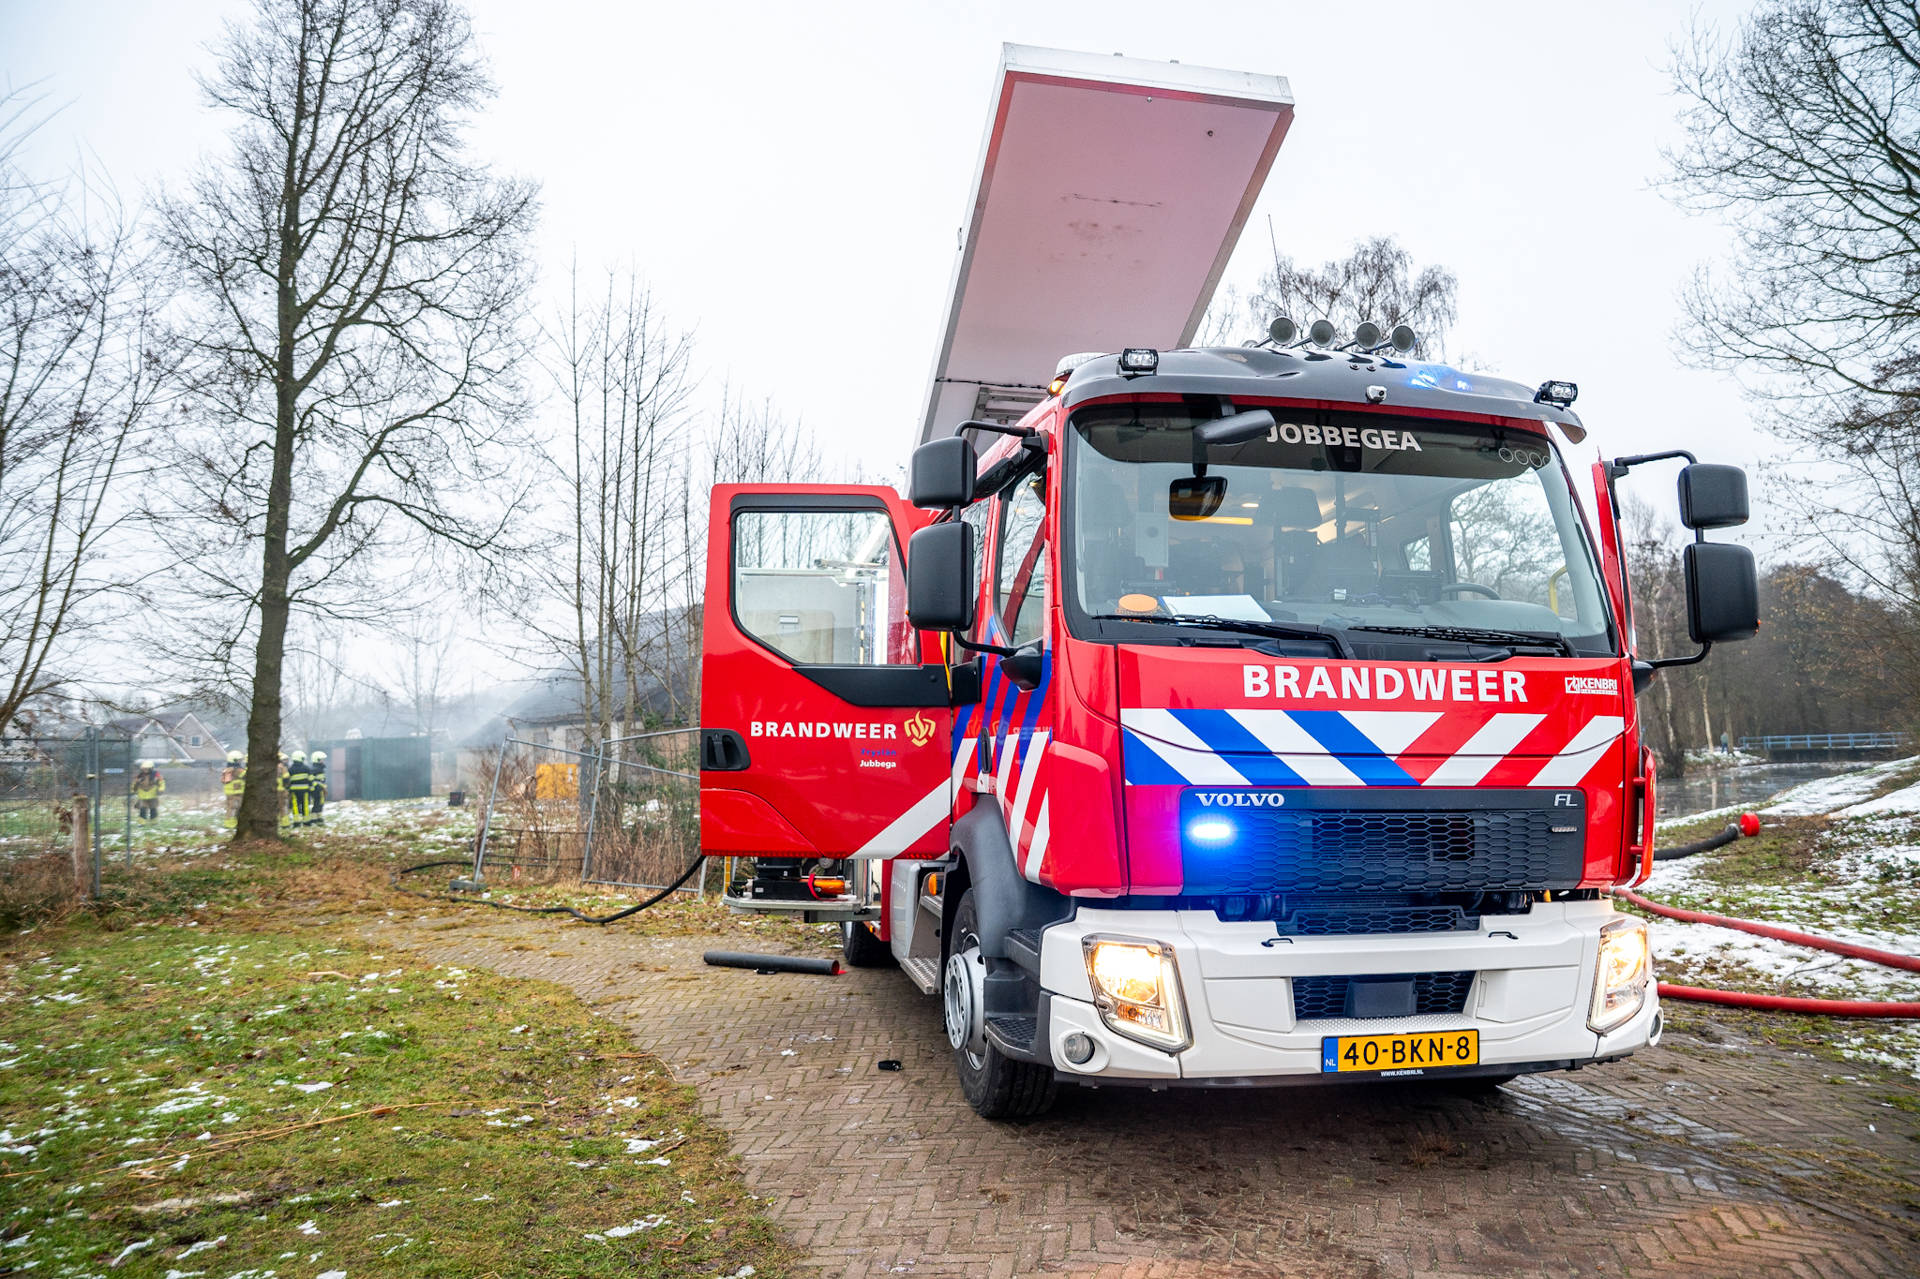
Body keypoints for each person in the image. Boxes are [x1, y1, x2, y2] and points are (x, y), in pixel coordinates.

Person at [286, 750, 312, 826]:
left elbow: (288, 781)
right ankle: (306, 821)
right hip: (305, 791)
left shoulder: (290, 769)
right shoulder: (306, 768)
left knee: (295, 806)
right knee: (305, 805)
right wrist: (311, 788)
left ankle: (296, 822)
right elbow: (310, 779)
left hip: (294, 791)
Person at [221, 751, 245, 828]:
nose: (241, 761)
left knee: (229, 808)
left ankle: (228, 824)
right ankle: (235, 823)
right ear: (235, 760)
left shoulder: (227, 770)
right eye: (239, 760)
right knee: (239, 808)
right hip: (237, 792)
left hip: (229, 793)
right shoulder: (238, 770)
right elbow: (248, 776)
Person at [308, 750, 328, 825]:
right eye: (322, 759)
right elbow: (310, 779)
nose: (323, 761)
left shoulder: (320, 768)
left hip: (320, 788)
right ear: (317, 759)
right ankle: (314, 818)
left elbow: (322, 779)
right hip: (316, 789)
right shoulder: (314, 769)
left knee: (320, 803)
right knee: (317, 802)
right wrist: (316, 786)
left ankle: (319, 817)